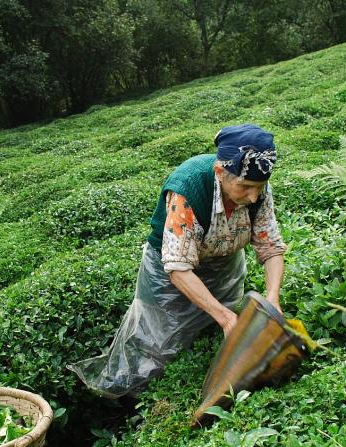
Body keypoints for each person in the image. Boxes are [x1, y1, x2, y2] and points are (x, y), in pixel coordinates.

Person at [68, 124, 288, 399]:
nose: (253, 196)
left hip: (223, 267)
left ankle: (198, 379)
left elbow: (271, 247)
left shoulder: (256, 189)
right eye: (245, 187)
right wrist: (224, 317)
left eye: (259, 187)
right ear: (220, 172)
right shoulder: (189, 188)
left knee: (211, 334)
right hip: (171, 275)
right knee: (157, 343)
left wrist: (272, 299)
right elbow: (179, 269)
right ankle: (135, 399)